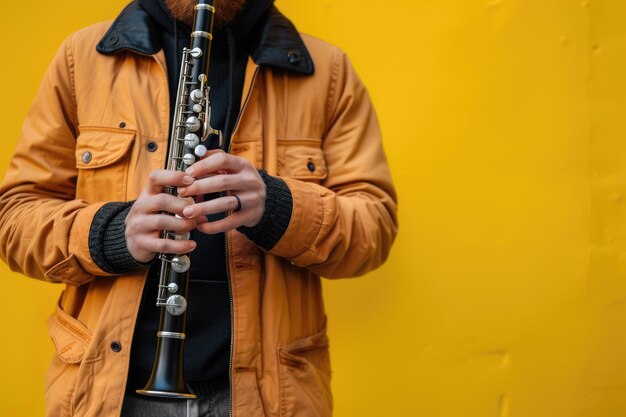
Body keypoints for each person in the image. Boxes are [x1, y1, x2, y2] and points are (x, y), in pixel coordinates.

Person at [0, 0, 398, 415]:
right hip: (112, 393)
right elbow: (14, 219)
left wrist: (276, 206)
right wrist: (113, 234)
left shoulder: (327, 72)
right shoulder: (82, 59)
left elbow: (373, 229)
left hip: (267, 398)